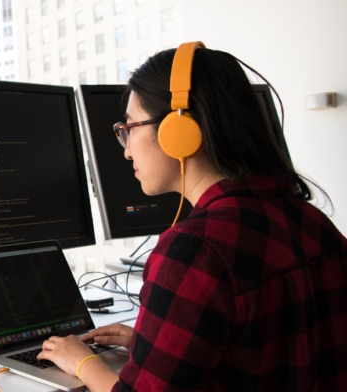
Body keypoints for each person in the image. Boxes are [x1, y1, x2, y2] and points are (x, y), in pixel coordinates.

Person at [37, 44, 347, 391]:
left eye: (130, 128)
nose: (126, 150)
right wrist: (152, 343)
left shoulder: (196, 249)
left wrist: (83, 361)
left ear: (179, 131)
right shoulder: (316, 223)